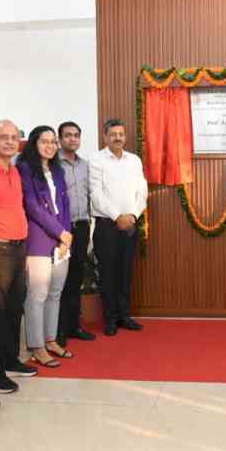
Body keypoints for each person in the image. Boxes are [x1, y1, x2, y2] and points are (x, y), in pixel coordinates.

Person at [0, 120, 37, 393]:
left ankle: (10, 359)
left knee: (16, 308)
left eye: (14, 138)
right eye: (3, 137)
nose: (9, 142)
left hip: (18, 248)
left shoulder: (14, 170)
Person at [17, 126, 73, 367]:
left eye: (53, 142)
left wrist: (66, 235)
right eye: (44, 141)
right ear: (34, 143)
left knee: (55, 293)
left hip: (61, 240)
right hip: (39, 238)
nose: (50, 146)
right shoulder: (25, 168)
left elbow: (65, 203)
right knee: (37, 295)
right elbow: (32, 206)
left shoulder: (57, 170)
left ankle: (50, 339)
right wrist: (59, 231)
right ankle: (36, 345)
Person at [90, 119, 148, 336]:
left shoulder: (134, 160)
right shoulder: (96, 160)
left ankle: (124, 315)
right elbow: (96, 194)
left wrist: (132, 214)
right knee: (108, 274)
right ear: (105, 137)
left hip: (131, 223)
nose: (117, 137)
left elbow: (142, 191)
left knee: (125, 272)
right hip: (107, 225)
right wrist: (117, 216)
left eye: (121, 134)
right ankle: (110, 319)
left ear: (125, 136)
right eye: (113, 134)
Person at [57, 121, 96, 346]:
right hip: (61, 229)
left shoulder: (85, 165)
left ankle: (74, 326)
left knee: (75, 279)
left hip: (81, 226)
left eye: (76, 135)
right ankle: (58, 330)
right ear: (60, 139)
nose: (72, 139)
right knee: (60, 280)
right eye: (68, 135)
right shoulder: (54, 164)